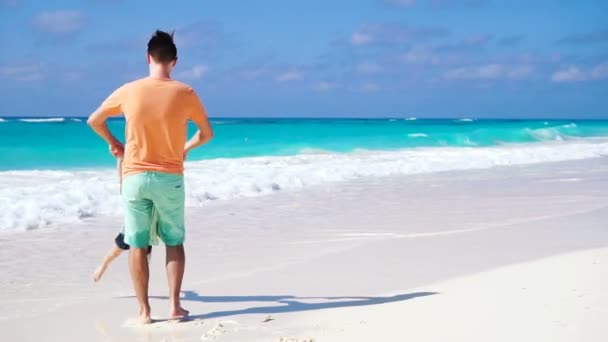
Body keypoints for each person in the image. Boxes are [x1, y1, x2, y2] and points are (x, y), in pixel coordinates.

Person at [87, 30, 213, 324]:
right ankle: (174, 307)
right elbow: (207, 134)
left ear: (148, 57)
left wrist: (115, 142)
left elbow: (94, 120)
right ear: (175, 62)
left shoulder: (130, 90)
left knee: (137, 244)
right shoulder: (186, 93)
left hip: (135, 177)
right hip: (169, 176)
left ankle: (144, 312)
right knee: (174, 242)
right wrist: (186, 147)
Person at [93, 158, 156, 283]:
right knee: (117, 250)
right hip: (132, 224)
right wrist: (121, 164)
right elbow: (121, 172)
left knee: (145, 255)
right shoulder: (130, 186)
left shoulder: (151, 184)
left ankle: (141, 282)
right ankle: (102, 266)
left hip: (149, 226)